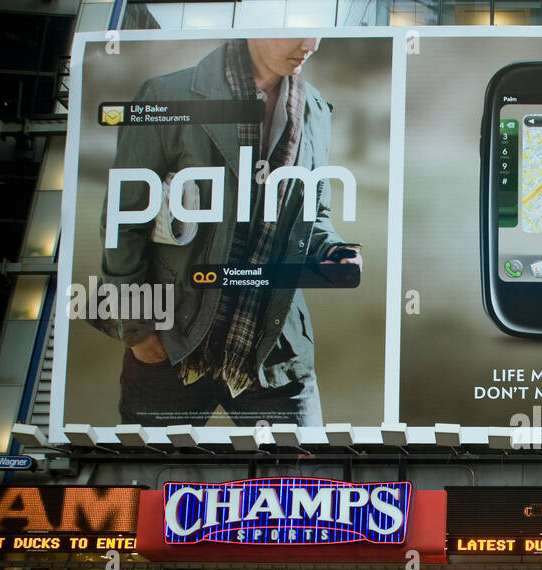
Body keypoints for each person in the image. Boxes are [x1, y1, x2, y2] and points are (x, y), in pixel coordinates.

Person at [96, 38, 361, 427]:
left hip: (274, 346)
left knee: (306, 481)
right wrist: (138, 331)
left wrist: (335, 250)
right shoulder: (166, 94)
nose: (310, 44)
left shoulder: (317, 110)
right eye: (296, 29)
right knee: (149, 479)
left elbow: (314, 215)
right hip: (173, 338)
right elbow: (124, 219)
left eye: (316, 29)